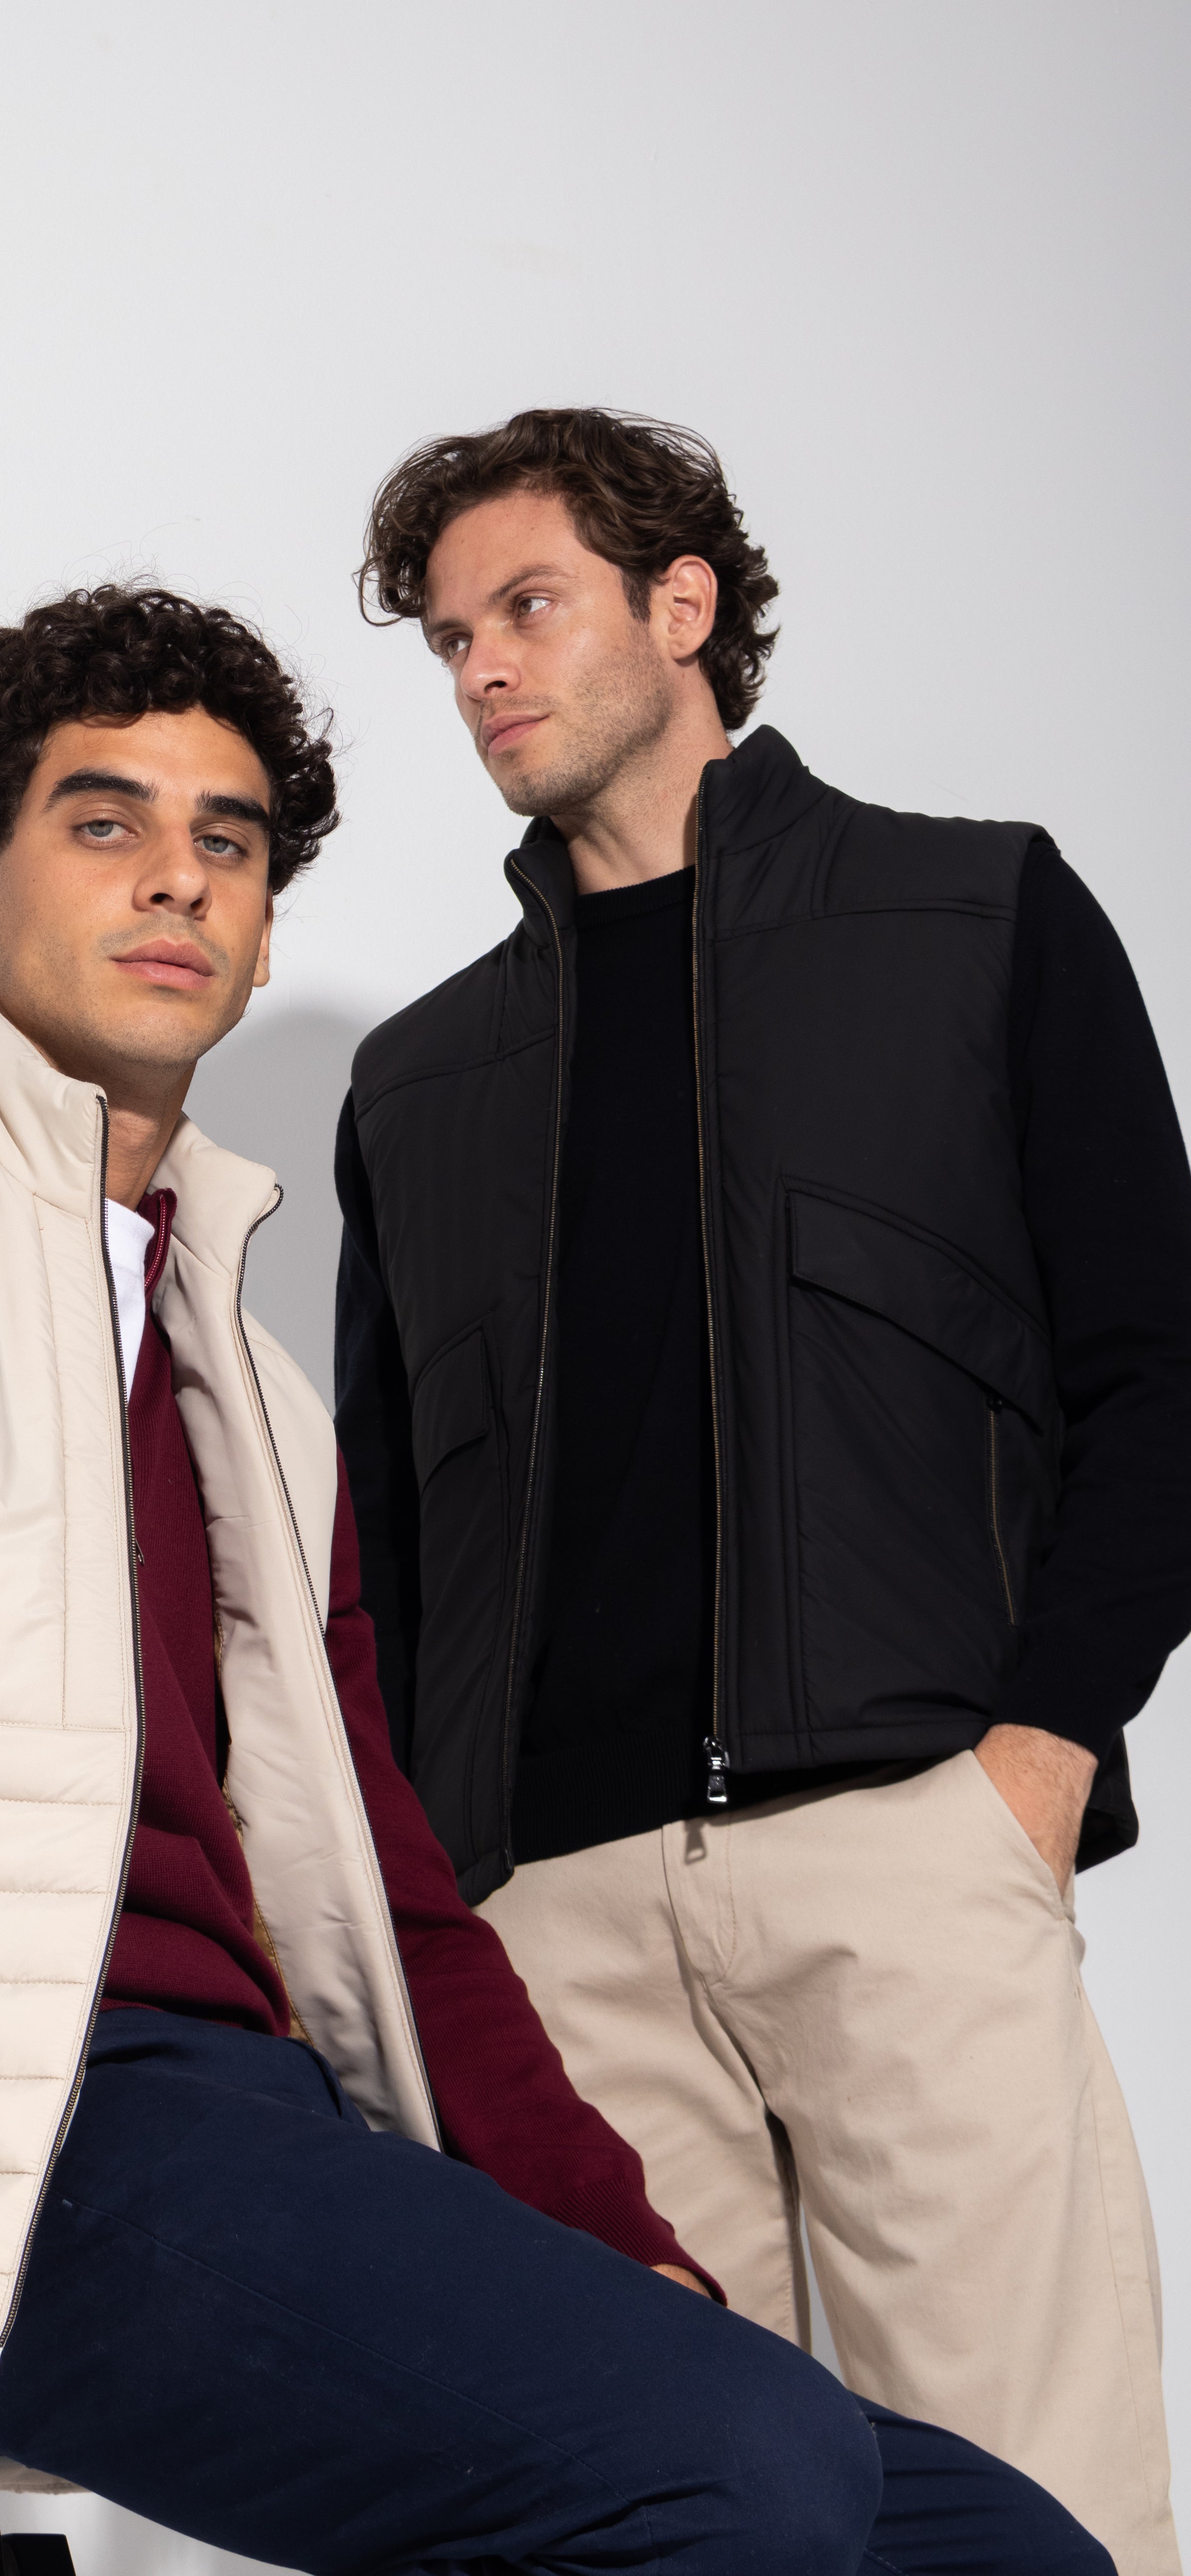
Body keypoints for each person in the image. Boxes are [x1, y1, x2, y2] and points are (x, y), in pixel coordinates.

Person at [0, 586, 1103, 2576]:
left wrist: (624, 2245)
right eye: (105, 821)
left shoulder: (247, 1378)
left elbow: (398, 1901)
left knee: (995, 2545)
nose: (177, 876)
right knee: (735, 2473)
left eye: (226, 840)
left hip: (240, 2120)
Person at [334, 406, 1187, 2573]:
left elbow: (1159, 1369)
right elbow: (387, 1564)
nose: (482, 670)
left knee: (1024, 2520)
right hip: (559, 1929)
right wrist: (448, 1913)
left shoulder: (972, 916)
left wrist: (1035, 1757)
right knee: (635, 2526)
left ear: (681, 604)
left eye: (528, 606)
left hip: (907, 1845)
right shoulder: (418, 1083)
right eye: (449, 639)